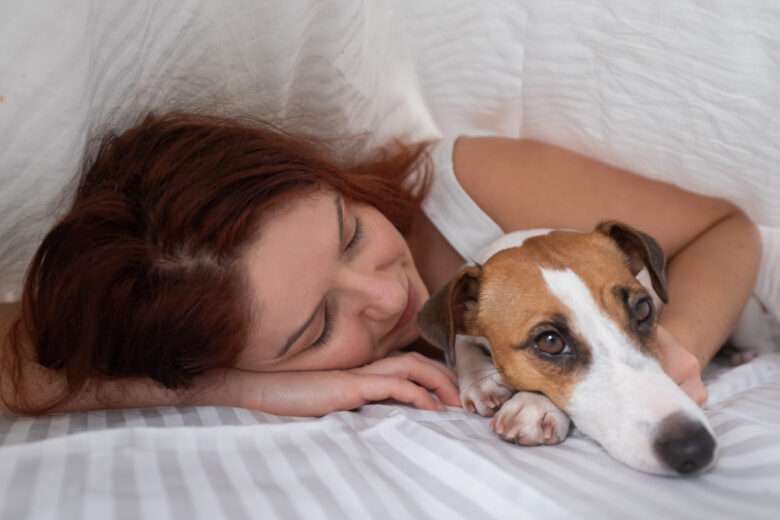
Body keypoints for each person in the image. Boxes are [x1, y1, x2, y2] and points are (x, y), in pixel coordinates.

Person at [0, 112, 760, 416]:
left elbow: (725, 230)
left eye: (350, 232)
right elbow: (20, 365)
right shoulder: (229, 363)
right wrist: (243, 388)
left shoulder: (471, 188)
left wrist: (666, 344)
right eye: (316, 327)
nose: (385, 290)